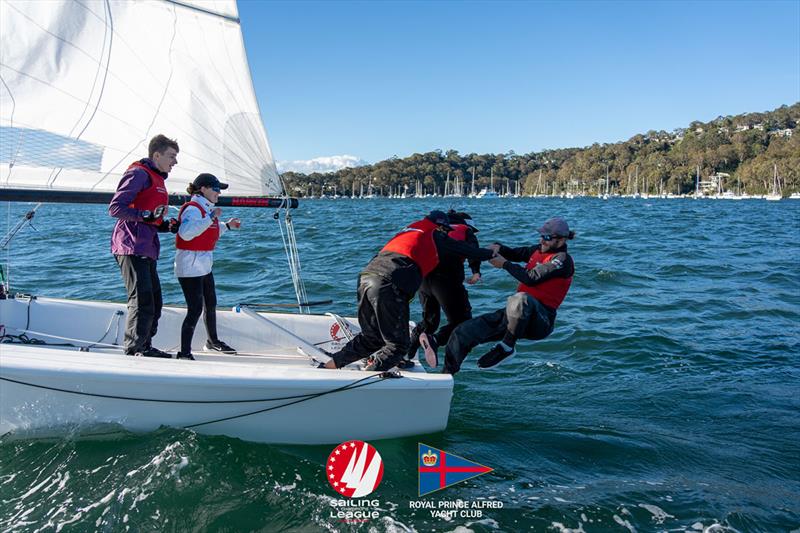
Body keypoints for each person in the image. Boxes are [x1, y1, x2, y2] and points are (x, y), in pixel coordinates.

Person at [321, 210, 495, 372]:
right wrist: (494, 253)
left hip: (366, 277)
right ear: (440, 226)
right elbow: (469, 251)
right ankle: (367, 377)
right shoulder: (436, 235)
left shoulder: (411, 229)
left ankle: (327, 368)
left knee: (371, 338)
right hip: (389, 283)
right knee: (398, 346)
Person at [439, 216, 575, 374]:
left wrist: (504, 264)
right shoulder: (535, 250)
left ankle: (507, 347)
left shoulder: (562, 260)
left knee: (520, 298)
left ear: (561, 240)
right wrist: (498, 247)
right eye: (541, 236)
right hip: (516, 315)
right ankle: (446, 376)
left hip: (540, 320)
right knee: (462, 332)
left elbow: (530, 278)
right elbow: (513, 253)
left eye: (547, 238)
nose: (542, 240)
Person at [109, 134, 180, 358]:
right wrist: (146, 215)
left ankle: (145, 345)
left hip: (147, 247)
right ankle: (134, 350)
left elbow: (150, 219)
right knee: (141, 301)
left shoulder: (158, 179)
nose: (175, 162)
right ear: (156, 155)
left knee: (155, 301)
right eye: (172, 156)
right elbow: (116, 208)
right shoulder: (139, 173)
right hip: (130, 245)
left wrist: (165, 225)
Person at [174, 173, 242, 360]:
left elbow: (209, 229)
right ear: (202, 189)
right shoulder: (193, 209)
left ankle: (212, 341)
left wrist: (227, 226)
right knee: (195, 309)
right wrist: (210, 217)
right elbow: (187, 233)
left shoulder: (205, 209)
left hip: (203, 265)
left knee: (210, 304)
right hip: (189, 266)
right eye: (216, 189)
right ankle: (184, 353)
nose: (219, 193)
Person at [410, 210, 483, 367]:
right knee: (461, 320)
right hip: (446, 280)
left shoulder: (436, 229)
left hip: (423, 278)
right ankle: (435, 340)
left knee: (429, 322)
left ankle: (405, 354)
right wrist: (476, 271)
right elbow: (473, 251)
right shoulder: (465, 230)